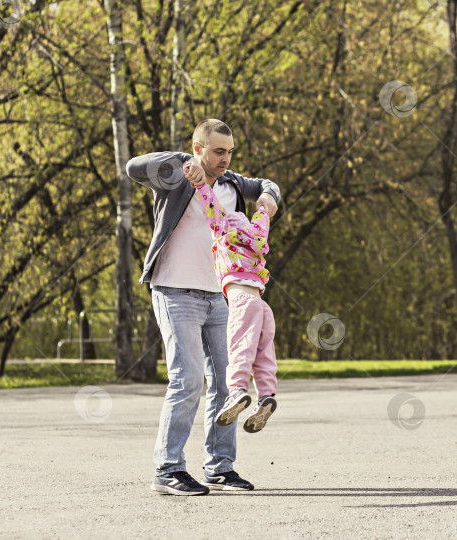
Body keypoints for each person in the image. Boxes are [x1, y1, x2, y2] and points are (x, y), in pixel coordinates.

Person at [126, 119, 281, 496]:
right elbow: (133, 166)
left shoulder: (231, 183)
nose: (225, 159)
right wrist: (182, 163)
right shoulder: (177, 176)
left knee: (230, 384)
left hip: (219, 295)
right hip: (175, 290)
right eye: (217, 151)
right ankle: (168, 469)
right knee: (188, 379)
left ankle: (220, 467)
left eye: (229, 151)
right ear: (198, 149)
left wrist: (269, 200)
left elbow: (268, 185)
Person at [185, 168, 278, 433]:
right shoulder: (257, 235)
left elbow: (211, 205)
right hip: (262, 305)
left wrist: (202, 185)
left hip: (241, 303)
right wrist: (263, 206)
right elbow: (262, 216)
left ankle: (237, 392)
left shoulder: (224, 231)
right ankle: (266, 396)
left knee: (239, 348)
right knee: (263, 355)